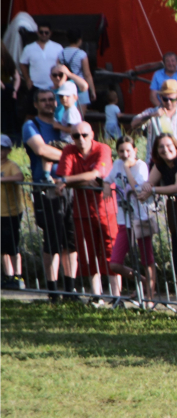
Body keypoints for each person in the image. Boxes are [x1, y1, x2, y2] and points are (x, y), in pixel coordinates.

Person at [22, 89, 77, 299]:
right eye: (43, 100)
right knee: (52, 240)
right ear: (36, 104)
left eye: (51, 99)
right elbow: (41, 150)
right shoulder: (31, 126)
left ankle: (70, 289)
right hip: (46, 189)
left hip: (69, 186)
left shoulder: (63, 124)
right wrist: (70, 156)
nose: (48, 103)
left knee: (70, 240)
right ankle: (52, 290)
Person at [53, 122, 117, 301]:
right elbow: (64, 179)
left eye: (84, 135)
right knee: (88, 253)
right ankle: (96, 296)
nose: (80, 139)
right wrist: (78, 180)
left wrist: (68, 180)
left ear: (92, 134)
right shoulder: (69, 151)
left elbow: (96, 175)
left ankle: (116, 296)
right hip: (81, 211)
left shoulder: (103, 148)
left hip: (106, 209)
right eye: (75, 136)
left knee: (110, 251)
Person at [139, 133, 177, 303]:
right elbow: (149, 184)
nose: (165, 149)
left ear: (176, 145)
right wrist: (145, 189)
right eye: (161, 147)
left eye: (169, 145)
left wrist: (153, 191)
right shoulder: (160, 164)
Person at [105, 136, 155, 300]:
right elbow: (108, 179)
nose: (125, 154)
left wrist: (127, 169)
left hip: (141, 218)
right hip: (124, 220)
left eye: (128, 150)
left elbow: (138, 188)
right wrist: (106, 187)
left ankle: (150, 295)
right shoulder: (117, 163)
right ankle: (145, 282)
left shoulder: (141, 166)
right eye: (121, 151)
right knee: (115, 263)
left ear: (135, 150)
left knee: (146, 258)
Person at [131, 80, 177, 154]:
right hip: (155, 160)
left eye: (172, 99)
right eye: (165, 99)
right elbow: (133, 124)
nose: (168, 102)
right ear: (160, 97)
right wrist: (151, 116)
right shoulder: (151, 112)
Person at [1, 135, 23, 289]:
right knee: (2, 247)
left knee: (13, 246)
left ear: (8, 150)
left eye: (2, 148)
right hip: (0, 213)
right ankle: (7, 276)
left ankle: (18, 276)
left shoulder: (11, 165)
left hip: (11, 212)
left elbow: (20, 176)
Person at [18, 24, 64, 94]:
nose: (44, 34)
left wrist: (60, 81)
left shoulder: (58, 47)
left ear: (50, 33)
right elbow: (22, 63)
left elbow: (62, 65)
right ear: (37, 32)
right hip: (35, 86)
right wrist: (27, 79)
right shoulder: (29, 48)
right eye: (41, 32)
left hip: (53, 85)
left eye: (46, 32)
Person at [60, 33, 94, 108]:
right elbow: (87, 74)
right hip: (80, 84)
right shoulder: (82, 54)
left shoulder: (61, 53)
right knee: (80, 115)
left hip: (65, 84)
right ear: (79, 40)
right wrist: (92, 90)